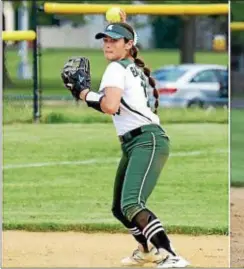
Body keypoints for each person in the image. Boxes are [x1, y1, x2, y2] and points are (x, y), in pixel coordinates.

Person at [62, 12, 190, 268]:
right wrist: (86, 95)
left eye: (114, 40)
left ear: (129, 44)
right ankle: (145, 251)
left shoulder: (115, 69)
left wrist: (83, 93)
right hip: (136, 142)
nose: (108, 44)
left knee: (132, 203)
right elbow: (116, 106)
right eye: (105, 39)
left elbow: (110, 105)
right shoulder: (131, 69)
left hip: (146, 140)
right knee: (119, 209)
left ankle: (171, 254)